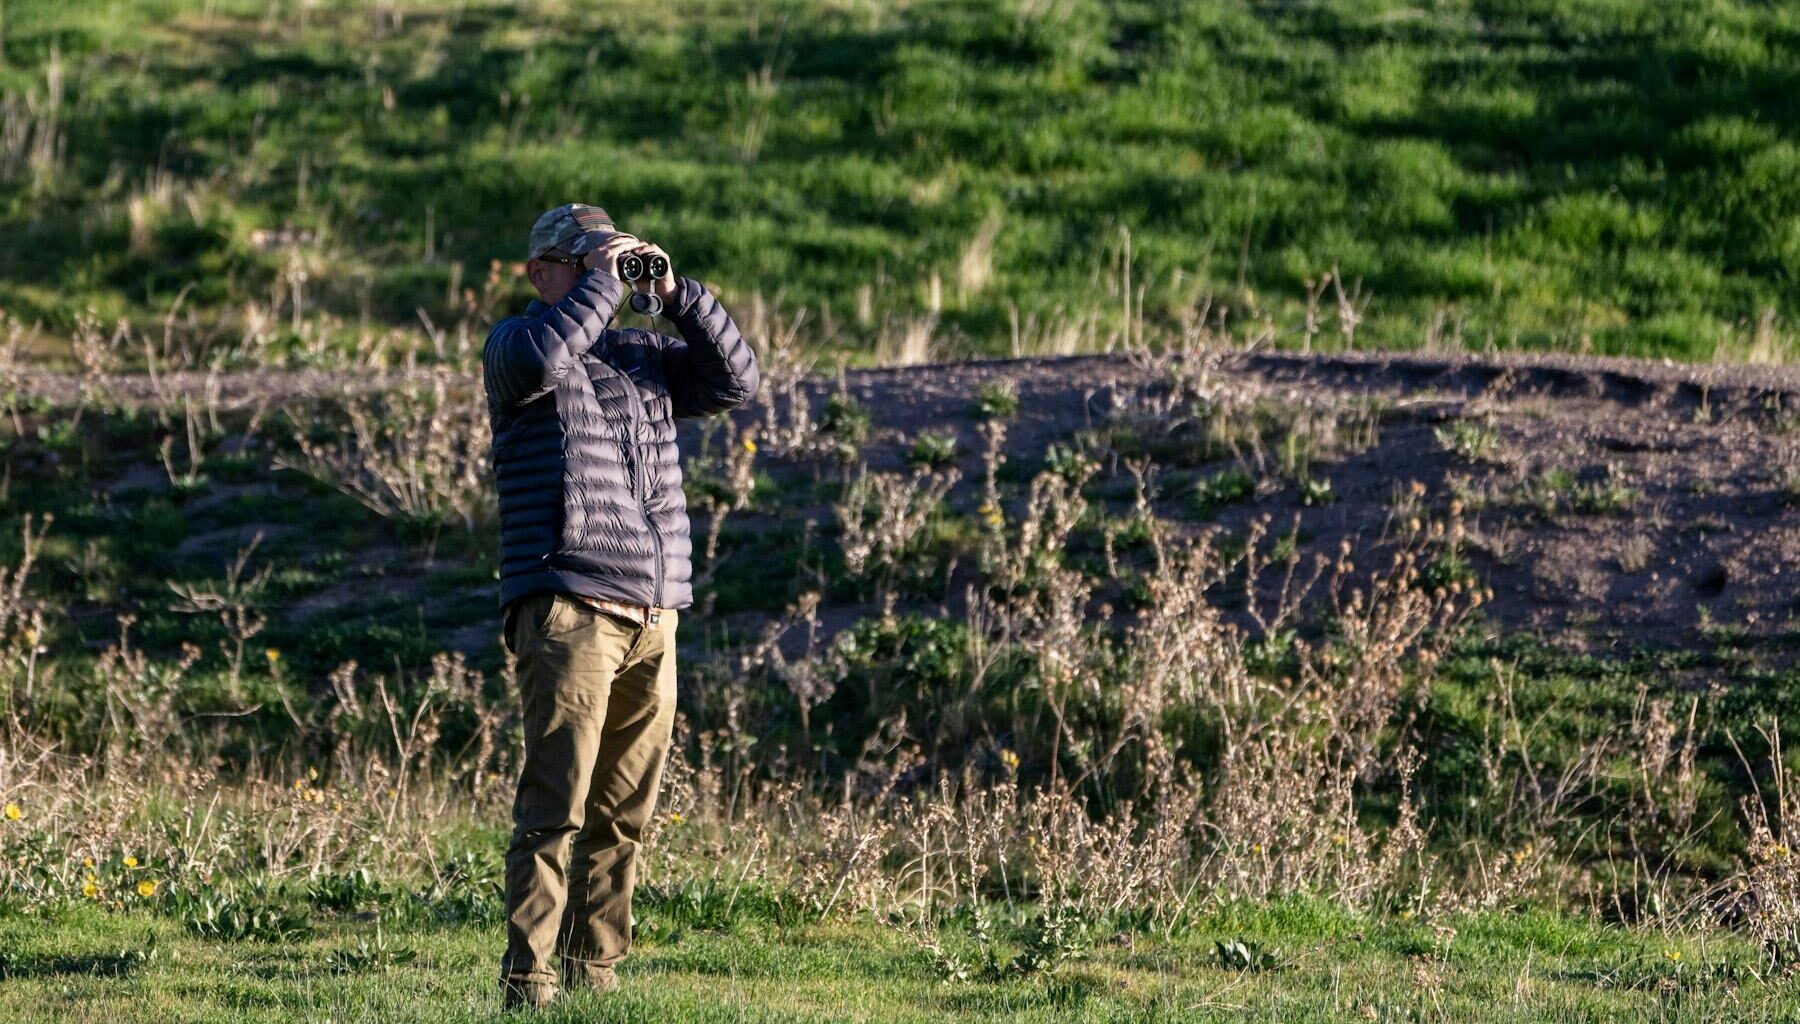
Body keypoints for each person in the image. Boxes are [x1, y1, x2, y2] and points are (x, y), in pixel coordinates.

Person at [480, 203, 759, 1010]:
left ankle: (595, 979)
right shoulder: (516, 344)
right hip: (569, 604)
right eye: (583, 259)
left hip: (652, 614)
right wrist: (603, 281)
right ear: (543, 273)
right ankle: (529, 983)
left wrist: (676, 295)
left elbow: (736, 380)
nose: (607, 273)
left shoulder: (642, 355)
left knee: (624, 816)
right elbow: (542, 359)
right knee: (555, 809)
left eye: (616, 258)